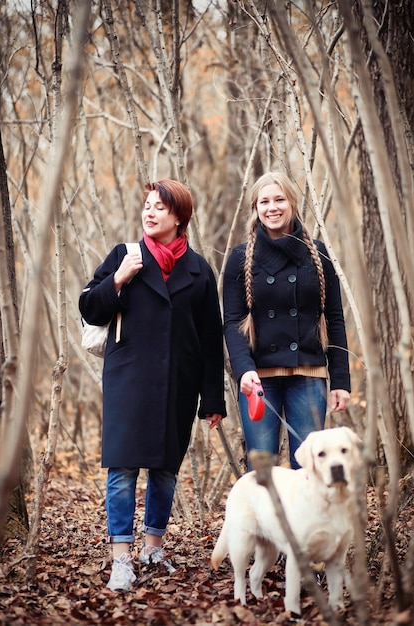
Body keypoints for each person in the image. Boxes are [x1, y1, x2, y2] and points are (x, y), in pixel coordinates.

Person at [79, 179, 226, 592]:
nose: (150, 212)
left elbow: (211, 337)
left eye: (160, 207)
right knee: (122, 469)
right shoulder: (124, 256)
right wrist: (118, 280)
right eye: (147, 205)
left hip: (178, 384)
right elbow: (89, 306)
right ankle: (121, 558)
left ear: (179, 217)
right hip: (128, 379)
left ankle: (153, 548)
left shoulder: (198, 271)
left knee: (165, 470)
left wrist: (212, 397)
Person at [223, 171, 350, 470]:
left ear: (292, 203)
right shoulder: (240, 259)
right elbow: (232, 321)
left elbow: (334, 318)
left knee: (309, 470)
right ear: (256, 209)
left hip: (308, 373)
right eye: (264, 201)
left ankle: (305, 520)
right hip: (259, 380)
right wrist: (244, 371)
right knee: (262, 472)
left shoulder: (318, 254)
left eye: (279, 199)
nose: (272, 207)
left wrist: (341, 381)